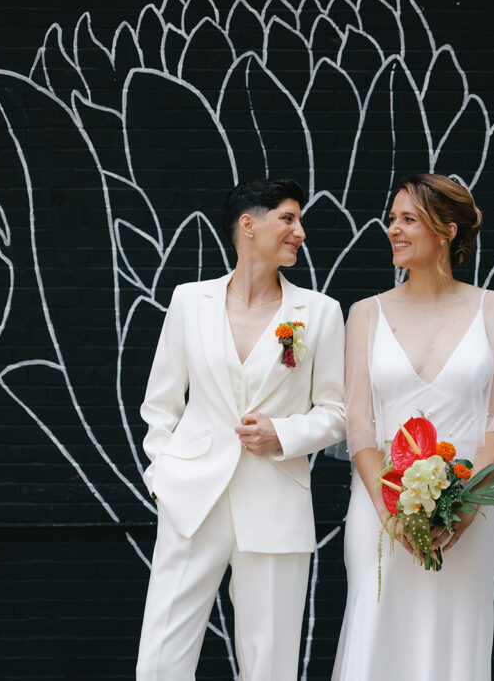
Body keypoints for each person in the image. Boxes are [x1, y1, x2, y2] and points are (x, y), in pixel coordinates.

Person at [136, 178, 346, 681]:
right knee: (162, 656)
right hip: (192, 500)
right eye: (288, 218)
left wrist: (284, 434)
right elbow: (160, 404)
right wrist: (163, 479)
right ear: (248, 225)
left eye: (300, 220)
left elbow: (339, 412)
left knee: (270, 662)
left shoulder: (319, 313)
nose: (300, 231)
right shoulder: (190, 302)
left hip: (275, 502)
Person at [332, 174, 494, 680]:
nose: (392, 229)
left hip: (473, 502)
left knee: (456, 642)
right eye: (392, 218)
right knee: (377, 634)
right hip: (380, 506)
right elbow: (359, 423)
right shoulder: (365, 314)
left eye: (407, 219)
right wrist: (390, 512)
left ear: (446, 231)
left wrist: (465, 507)